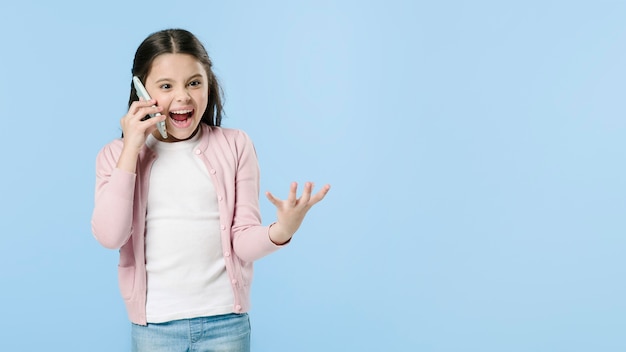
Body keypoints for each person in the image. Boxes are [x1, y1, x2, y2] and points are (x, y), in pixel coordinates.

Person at [91, 28, 330, 352]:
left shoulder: (235, 145)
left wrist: (280, 231)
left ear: (208, 83)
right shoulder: (114, 156)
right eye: (166, 86)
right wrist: (131, 148)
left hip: (225, 323)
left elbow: (241, 240)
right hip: (155, 327)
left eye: (194, 82)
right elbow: (110, 236)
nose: (183, 97)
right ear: (141, 91)